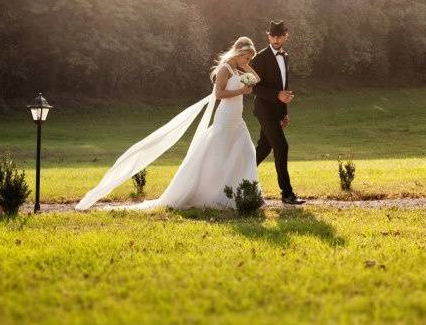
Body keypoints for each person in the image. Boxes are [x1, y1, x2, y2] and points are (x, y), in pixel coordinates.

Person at [77, 37, 260, 211]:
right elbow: (218, 94)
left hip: (238, 119)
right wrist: (241, 91)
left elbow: (257, 80)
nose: (248, 60)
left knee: (245, 153)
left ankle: (239, 193)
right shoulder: (225, 69)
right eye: (247, 56)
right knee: (217, 156)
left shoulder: (238, 71)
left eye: (250, 58)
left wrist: (246, 67)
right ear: (238, 52)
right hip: (225, 118)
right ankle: (209, 193)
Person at [250, 20, 304, 204]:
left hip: (276, 111)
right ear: (268, 36)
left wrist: (284, 112)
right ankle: (287, 194)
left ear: (285, 37)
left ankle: (239, 175)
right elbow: (253, 87)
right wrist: (277, 96)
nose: (276, 39)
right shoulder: (260, 58)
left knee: (265, 147)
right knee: (281, 146)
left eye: (279, 36)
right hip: (264, 110)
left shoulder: (285, 56)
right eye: (273, 36)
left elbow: (284, 89)